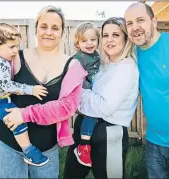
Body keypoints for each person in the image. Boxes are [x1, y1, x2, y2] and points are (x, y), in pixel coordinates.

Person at [0, 6, 87, 178]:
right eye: (44, 26)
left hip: (46, 150)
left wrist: (24, 115)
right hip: (6, 144)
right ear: (36, 29)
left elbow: (67, 108)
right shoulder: (14, 56)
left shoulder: (72, 66)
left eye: (55, 28)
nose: (48, 32)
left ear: (63, 32)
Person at [64, 17, 139, 179]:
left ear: (126, 38)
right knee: (71, 175)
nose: (109, 40)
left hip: (109, 133)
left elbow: (104, 107)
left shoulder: (126, 68)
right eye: (105, 35)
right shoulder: (104, 64)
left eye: (116, 35)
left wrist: (76, 94)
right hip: (85, 127)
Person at [124, 2, 169, 179]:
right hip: (155, 144)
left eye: (140, 20)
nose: (135, 27)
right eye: (130, 23)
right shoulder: (131, 55)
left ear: (154, 22)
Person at [0, 23, 49, 167]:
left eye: (17, 46)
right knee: (17, 121)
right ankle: (29, 151)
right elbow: (8, 86)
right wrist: (31, 90)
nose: (15, 51)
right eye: (11, 47)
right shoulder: (0, 63)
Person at [71, 22, 100, 167]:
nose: (89, 43)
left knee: (94, 117)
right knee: (91, 115)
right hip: (84, 93)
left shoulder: (97, 56)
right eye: (84, 40)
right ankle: (83, 146)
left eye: (93, 39)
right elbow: (73, 78)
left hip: (95, 92)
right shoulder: (79, 58)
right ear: (77, 44)